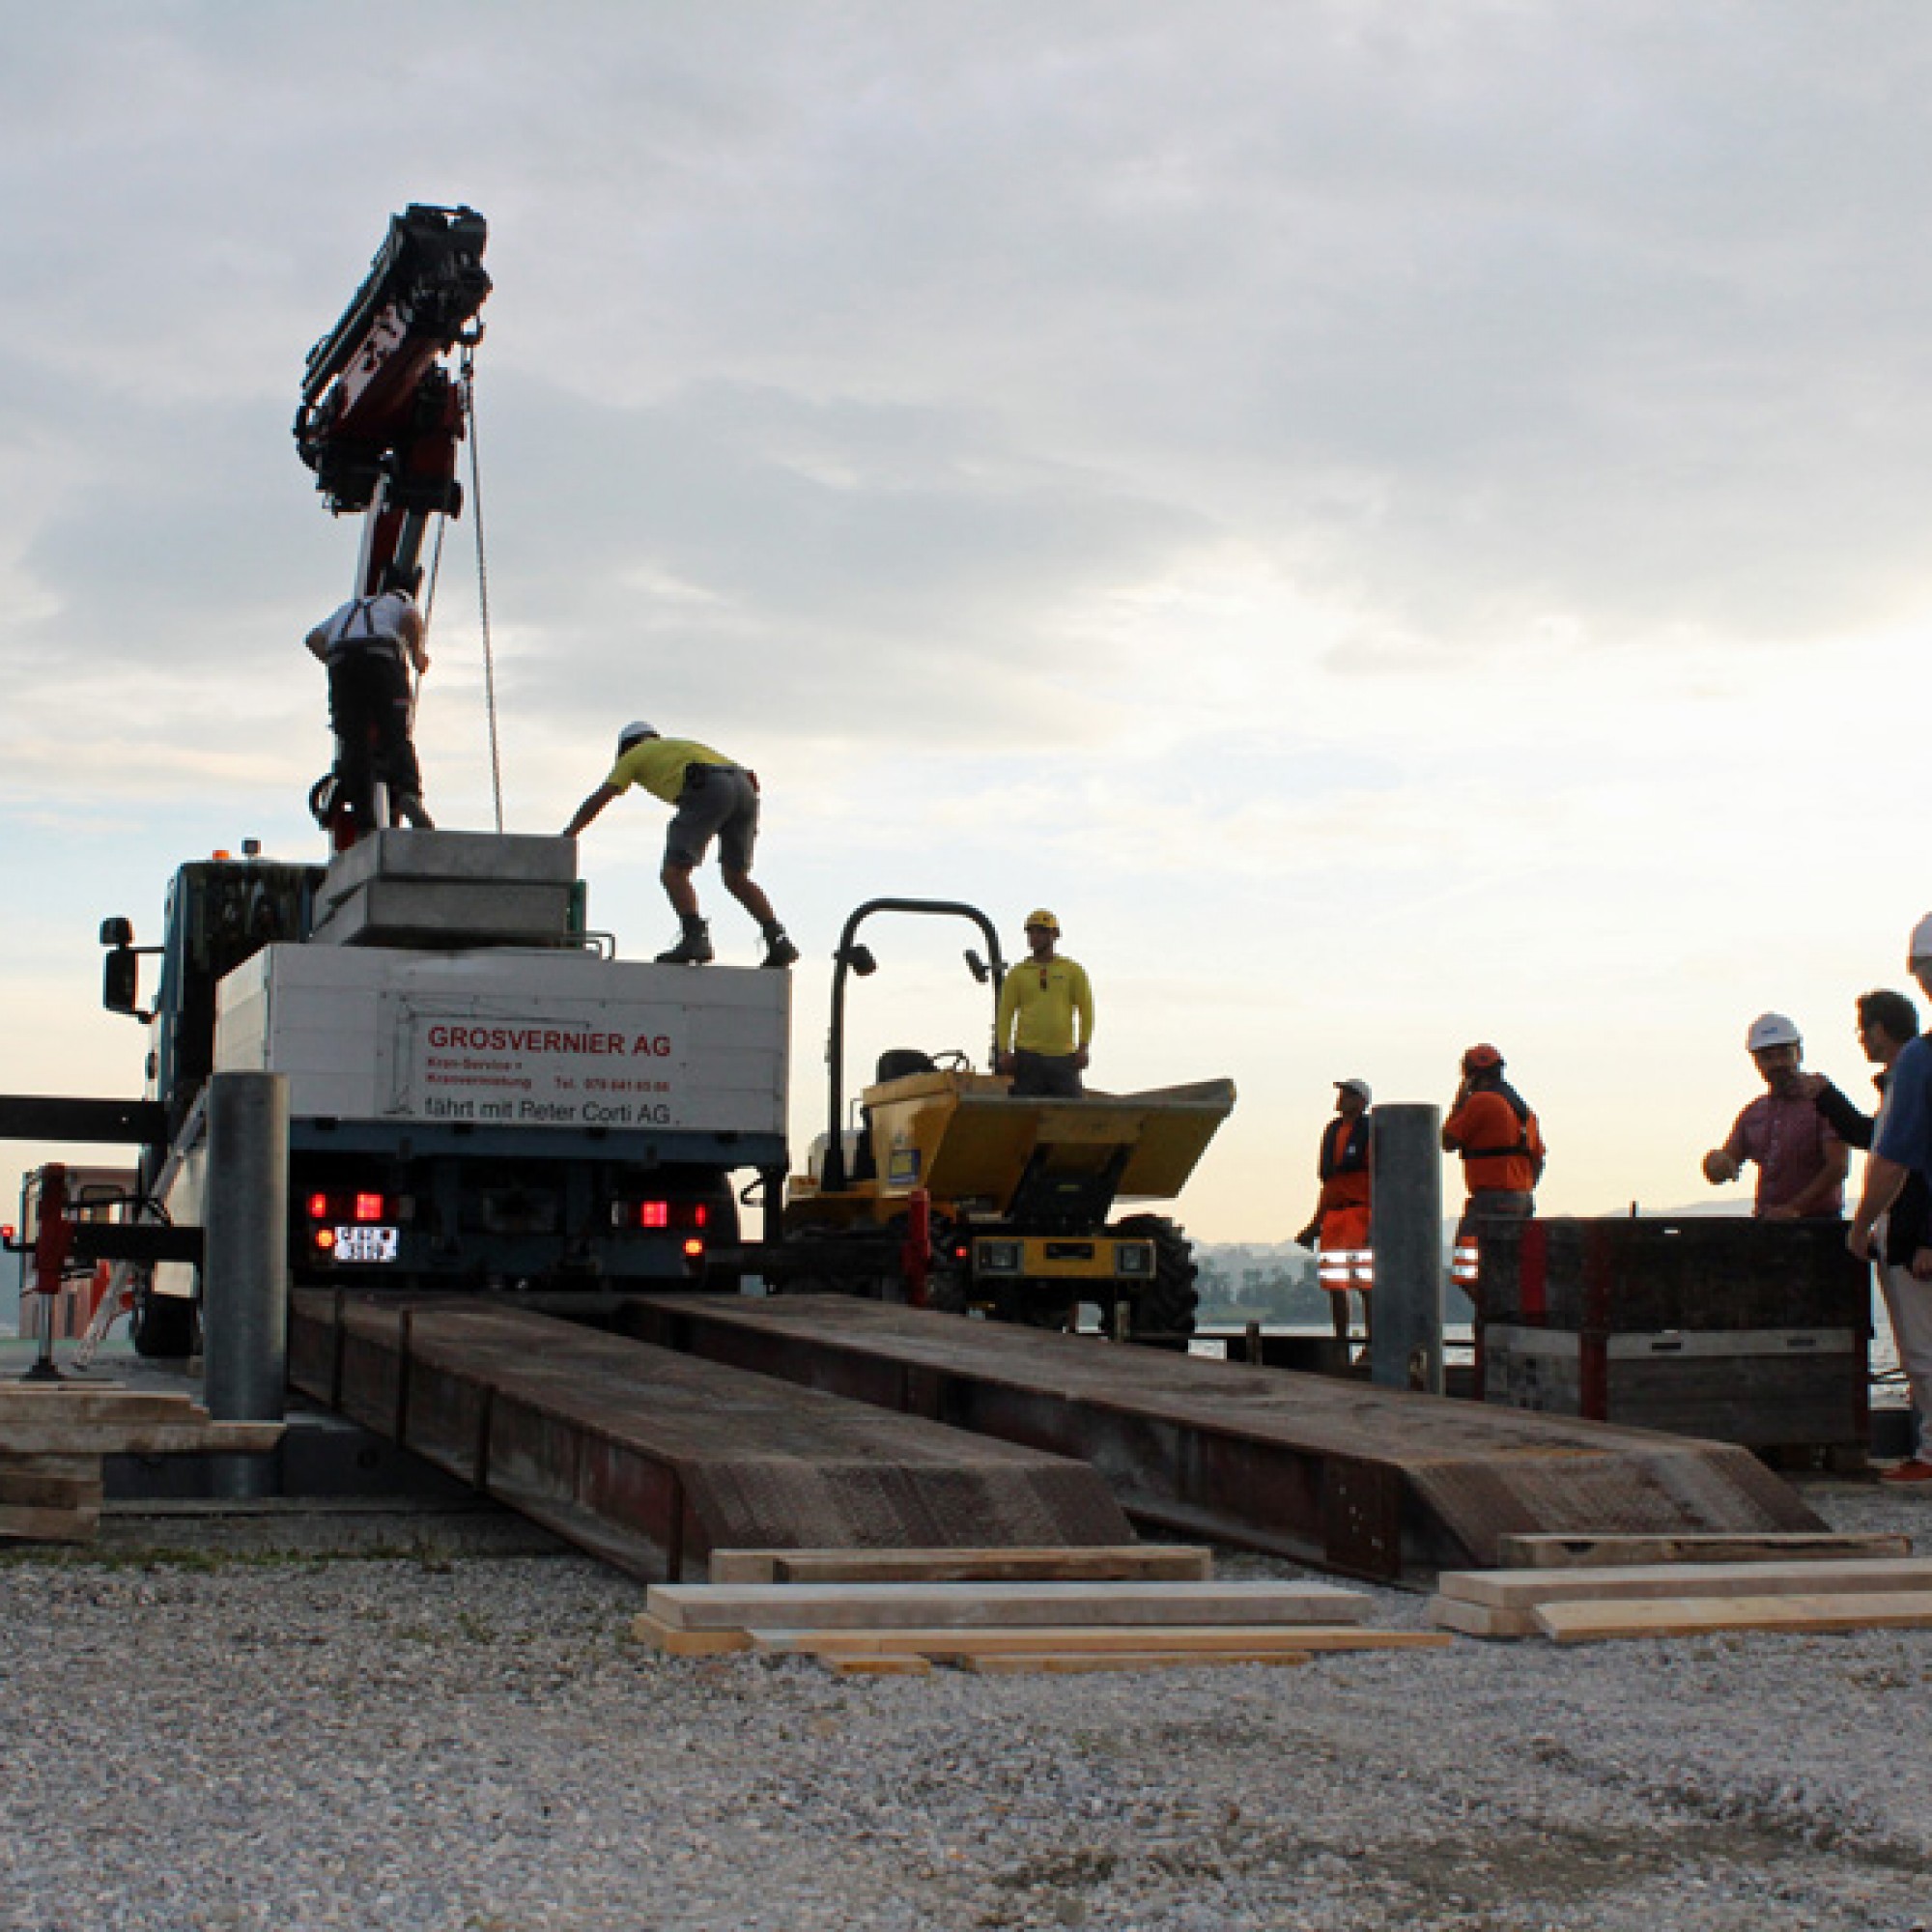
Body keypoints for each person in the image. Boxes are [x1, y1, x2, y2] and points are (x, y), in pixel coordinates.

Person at [1808, 989, 1932, 1485]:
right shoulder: (1901, 1084)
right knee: (1917, 1350)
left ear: (1881, 1029)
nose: (1861, 1037)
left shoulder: (1914, 1077)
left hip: (1913, 1238)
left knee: (1922, 1350)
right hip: (1904, 1233)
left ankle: (1930, 1453)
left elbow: (1910, 1163)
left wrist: (1925, 1239)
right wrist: (1827, 1097)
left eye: (1864, 1028)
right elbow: (1872, 1135)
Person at [561, 721, 798, 968]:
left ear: (626, 747)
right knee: (736, 878)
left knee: (674, 873)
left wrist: (570, 833)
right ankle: (779, 941)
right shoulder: (679, 746)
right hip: (743, 787)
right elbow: (746, 776)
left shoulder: (633, 756)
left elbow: (602, 796)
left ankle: (695, 939)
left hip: (708, 786)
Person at [304, 570, 433, 838]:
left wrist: (337, 665)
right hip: (381, 655)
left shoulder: (349, 607)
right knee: (395, 732)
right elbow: (411, 619)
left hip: (341, 658)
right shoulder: (400, 599)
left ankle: (364, 821)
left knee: (354, 744)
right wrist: (416, 654)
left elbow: (313, 639)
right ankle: (409, 792)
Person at [1702, 1012, 1846, 1219]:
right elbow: (1726, 1165)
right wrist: (1715, 1163)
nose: (1777, 1063)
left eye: (1784, 1053)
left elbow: (1838, 1166)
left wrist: (1795, 1208)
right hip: (1769, 1227)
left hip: (1818, 1228)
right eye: (1767, 1057)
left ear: (1799, 1053)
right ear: (1756, 1061)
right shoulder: (1755, 1113)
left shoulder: (1823, 1104)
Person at [1441, 1043, 1545, 1310]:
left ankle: (1494, 1315)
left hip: (1491, 1199)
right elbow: (1539, 1159)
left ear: (1473, 1074)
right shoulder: (1524, 1110)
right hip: (1521, 1199)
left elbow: (1447, 1140)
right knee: (1506, 1270)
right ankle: (1503, 1316)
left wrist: (1459, 1101)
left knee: (1465, 1266)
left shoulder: (1481, 1102)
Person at [1294, 1078, 1374, 1345]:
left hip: (1360, 1215)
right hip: (1335, 1218)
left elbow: (1380, 1179)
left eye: (1348, 1094)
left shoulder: (1370, 1131)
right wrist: (1315, 1224)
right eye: (1342, 1093)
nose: (1342, 1098)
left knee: (1365, 1284)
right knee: (1335, 1285)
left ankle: (1373, 1343)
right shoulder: (1332, 1131)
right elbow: (1329, 1184)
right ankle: (1342, 1343)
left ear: (1361, 1102)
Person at [994, 910, 1094, 1097]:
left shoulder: (1072, 970)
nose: (1035, 937)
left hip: (1063, 1058)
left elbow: (1086, 1009)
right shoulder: (1018, 973)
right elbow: (1005, 1013)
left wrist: (1083, 1047)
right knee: (1024, 1115)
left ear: (1054, 935)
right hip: (1028, 1057)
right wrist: (1004, 1051)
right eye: (1031, 932)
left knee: (1072, 1112)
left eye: (1041, 931)